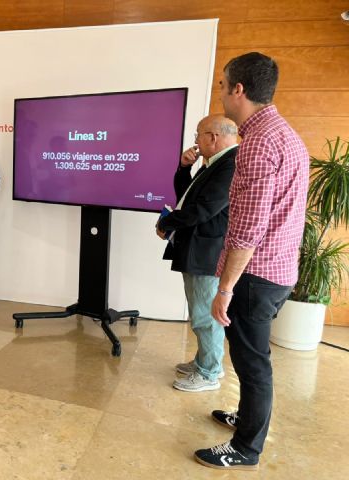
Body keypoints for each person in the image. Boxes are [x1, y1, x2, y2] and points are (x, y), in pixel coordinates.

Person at [193, 52, 309, 471]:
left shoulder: (258, 144)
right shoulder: (285, 134)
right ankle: (246, 419)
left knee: (252, 363)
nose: (221, 93)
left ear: (239, 89)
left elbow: (247, 230)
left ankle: (245, 447)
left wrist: (224, 289)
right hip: (278, 270)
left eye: (223, 85)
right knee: (252, 357)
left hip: (255, 276)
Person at [156, 115, 238, 392]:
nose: (196, 142)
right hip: (198, 248)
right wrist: (183, 168)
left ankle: (209, 372)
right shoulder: (215, 163)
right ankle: (205, 361)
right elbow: (186, 199)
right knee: (201, 311)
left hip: (207, 252)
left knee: (205, 315)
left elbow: (203, 210)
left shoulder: (230, 165)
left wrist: (166, 223)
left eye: (198, 135)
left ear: (213, 137)